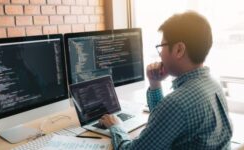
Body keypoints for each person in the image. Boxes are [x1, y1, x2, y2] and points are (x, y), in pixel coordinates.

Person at [99, 11, 232, 150]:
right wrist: (155, 83)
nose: (160, 54)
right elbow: (163, 123)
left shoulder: (177, 103)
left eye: (162, 46)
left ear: (179, 49)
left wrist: (116, 127)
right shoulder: (214, 84)